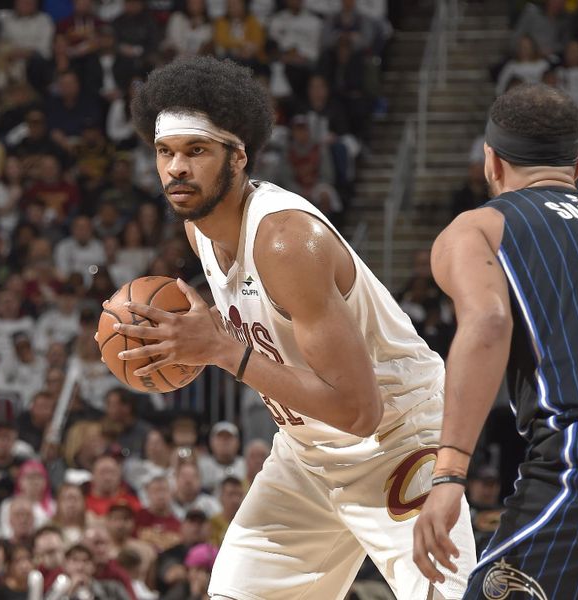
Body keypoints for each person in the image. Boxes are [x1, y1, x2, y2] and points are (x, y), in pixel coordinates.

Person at [115, 56, 476, 600]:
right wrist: (204, 336)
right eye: (165, 152)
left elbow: (360, 411)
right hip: (307, 454)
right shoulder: (200, 234)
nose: (176, 169)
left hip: (397, 442)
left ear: (237, 157)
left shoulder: (285, 241)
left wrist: (225, 351)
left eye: (196, 151)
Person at [412, 83, 578, 599]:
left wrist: (448, 475)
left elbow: (488, 324)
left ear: (492, 162)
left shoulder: (479, 228)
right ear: (577, 163)